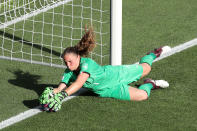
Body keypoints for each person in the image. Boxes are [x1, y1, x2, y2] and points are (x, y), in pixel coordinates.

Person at [39, 26, 170, 112]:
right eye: (65, 62)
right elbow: (62, 86)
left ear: (78, 57)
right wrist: (52, 93)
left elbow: (79, 83)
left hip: (116, 75)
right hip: (109, 90)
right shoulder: (68, 71)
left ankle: (153, 54)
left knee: (146, 68)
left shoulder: (87, 64)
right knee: (143, 96)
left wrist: (62, 96)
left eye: (70, 61)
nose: (68, 65)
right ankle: (150, 84)